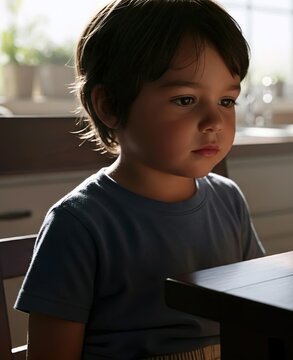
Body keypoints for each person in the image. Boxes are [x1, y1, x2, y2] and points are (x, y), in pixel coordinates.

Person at [14, 0, 265, 358]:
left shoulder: (229, 201)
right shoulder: (79, 223)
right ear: (110, 106)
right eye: (185, 99)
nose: (215, 121)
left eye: (227, 101)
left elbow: (259, 312)